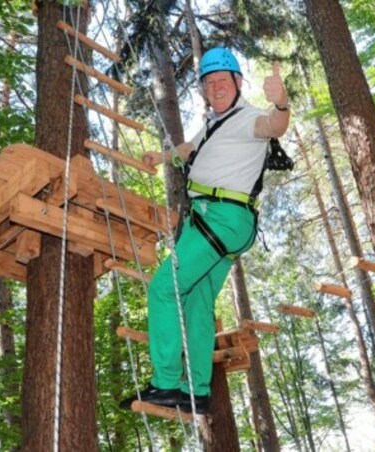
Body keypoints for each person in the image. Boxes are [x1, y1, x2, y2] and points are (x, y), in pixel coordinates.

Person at [119, 47, 290, 415]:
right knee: (195, 303)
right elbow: (189, 147)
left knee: (165, 289)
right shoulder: (214, 124)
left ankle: (165, 383)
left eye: (222, 81)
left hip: (221, 218)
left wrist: (281, 104)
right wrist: (161, 157)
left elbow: (273, 127)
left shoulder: (250, 119)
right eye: (209, 83)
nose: (215, 88)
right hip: (221, 222)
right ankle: (196, 390)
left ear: (238, 84)